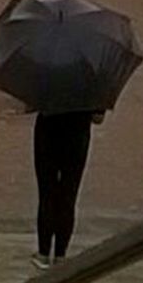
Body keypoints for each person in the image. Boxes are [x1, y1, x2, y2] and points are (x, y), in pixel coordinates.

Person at [32, 110, 105, 270]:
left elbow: (32, 102)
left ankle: (43, 253)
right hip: (78, 131)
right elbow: (98, 118)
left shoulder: (48, 83)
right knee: (69, 195)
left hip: (47, 129)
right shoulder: (92, 85)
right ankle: (61, 255)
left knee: (46, 193)